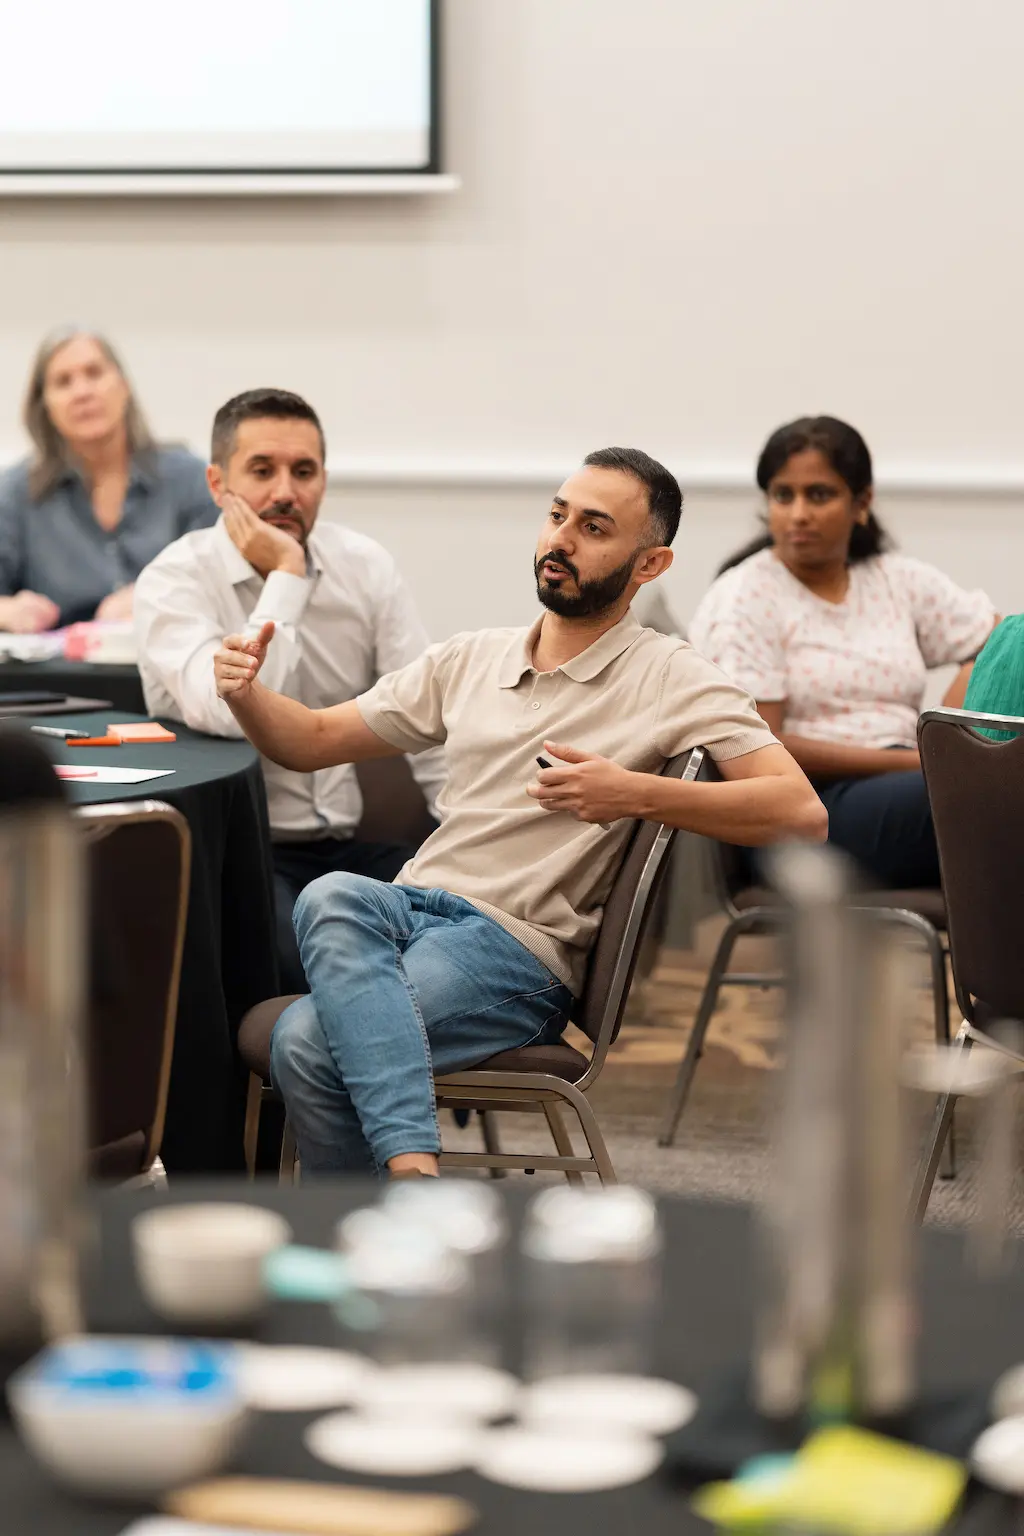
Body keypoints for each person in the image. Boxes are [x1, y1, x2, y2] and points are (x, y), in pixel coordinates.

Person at [213, 445, 827, 1179]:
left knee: (305, 1043)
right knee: (329, 894)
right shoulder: (471, 658)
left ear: (650, 565)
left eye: (594, 528)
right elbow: (309, 741)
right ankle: (408, 1192)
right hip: (412, 912)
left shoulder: (671, 674)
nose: (561, 539)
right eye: (558, 515)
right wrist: (245, 694)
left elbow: (800, 812)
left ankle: (395, 1197)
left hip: (513, 950)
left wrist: (633, 792)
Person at [135, 387, 444, 992]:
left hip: (352, 850)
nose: (286, 492)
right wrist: (287, 575)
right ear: (218, 484)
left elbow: (427, 716)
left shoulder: (365, 567)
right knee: (320, 972)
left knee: (462, 941)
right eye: (262, 471)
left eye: (303, 472)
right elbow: (230, 712)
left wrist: (467, 838)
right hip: (243, 859)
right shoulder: (174, 579)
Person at [689, 416, 999, 888]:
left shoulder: (893, 579)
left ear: (862, 502)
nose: (798, 514)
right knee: (987, 793)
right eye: (783, 495)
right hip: (805, 809)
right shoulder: (745, 597)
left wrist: (952, 721)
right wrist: (923, 760)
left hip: (905, 780)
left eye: (819, 495)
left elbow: (1005, 642)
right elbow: (761, 745)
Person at [0, 328, 216, 632]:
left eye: (94, 373)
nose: (82, 392)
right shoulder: (15, 493)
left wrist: (153, 595)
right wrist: (6, 611)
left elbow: (225, 578)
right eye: (63, 382)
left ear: (123, 386)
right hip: (60, 661)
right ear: (45, 405)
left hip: (169, 655)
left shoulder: (189, 478)